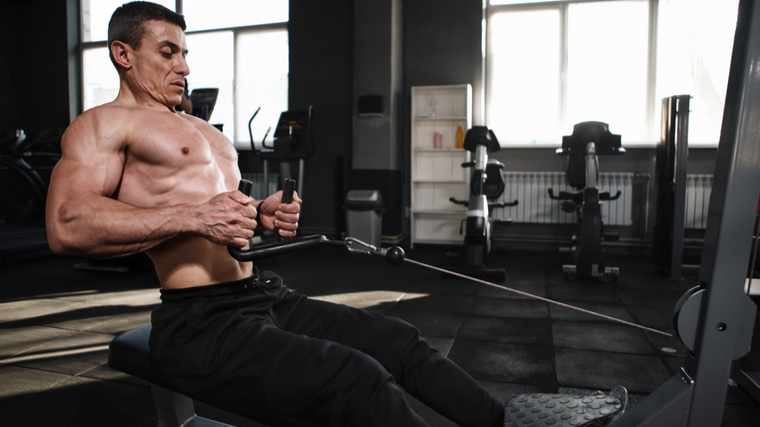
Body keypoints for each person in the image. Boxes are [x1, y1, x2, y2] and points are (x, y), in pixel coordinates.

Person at [46, 2, 504, 426]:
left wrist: (262, 212)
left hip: (263, 294)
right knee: (354, 378)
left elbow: (220, 207)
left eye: (185, 54)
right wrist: (196, 217)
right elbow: (67, 224)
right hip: (199, 322)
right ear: (123, 53)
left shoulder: (200, 128)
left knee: (401, 343)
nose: (183, 67)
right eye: (167, 53)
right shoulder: (104, 124)